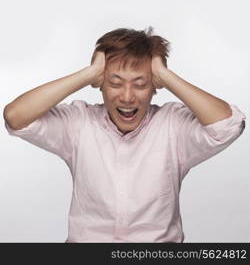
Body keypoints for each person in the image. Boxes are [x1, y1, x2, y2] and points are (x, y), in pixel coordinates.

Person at [3, 27, 246, 243]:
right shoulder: (79, 122)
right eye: (115, 83)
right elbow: (15, 116)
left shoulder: (173, 125)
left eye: (140, 84)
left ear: (154, 86)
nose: (128, 97)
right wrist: (87, 74)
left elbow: (229, 126)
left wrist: (165, 76)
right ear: (100, 83)